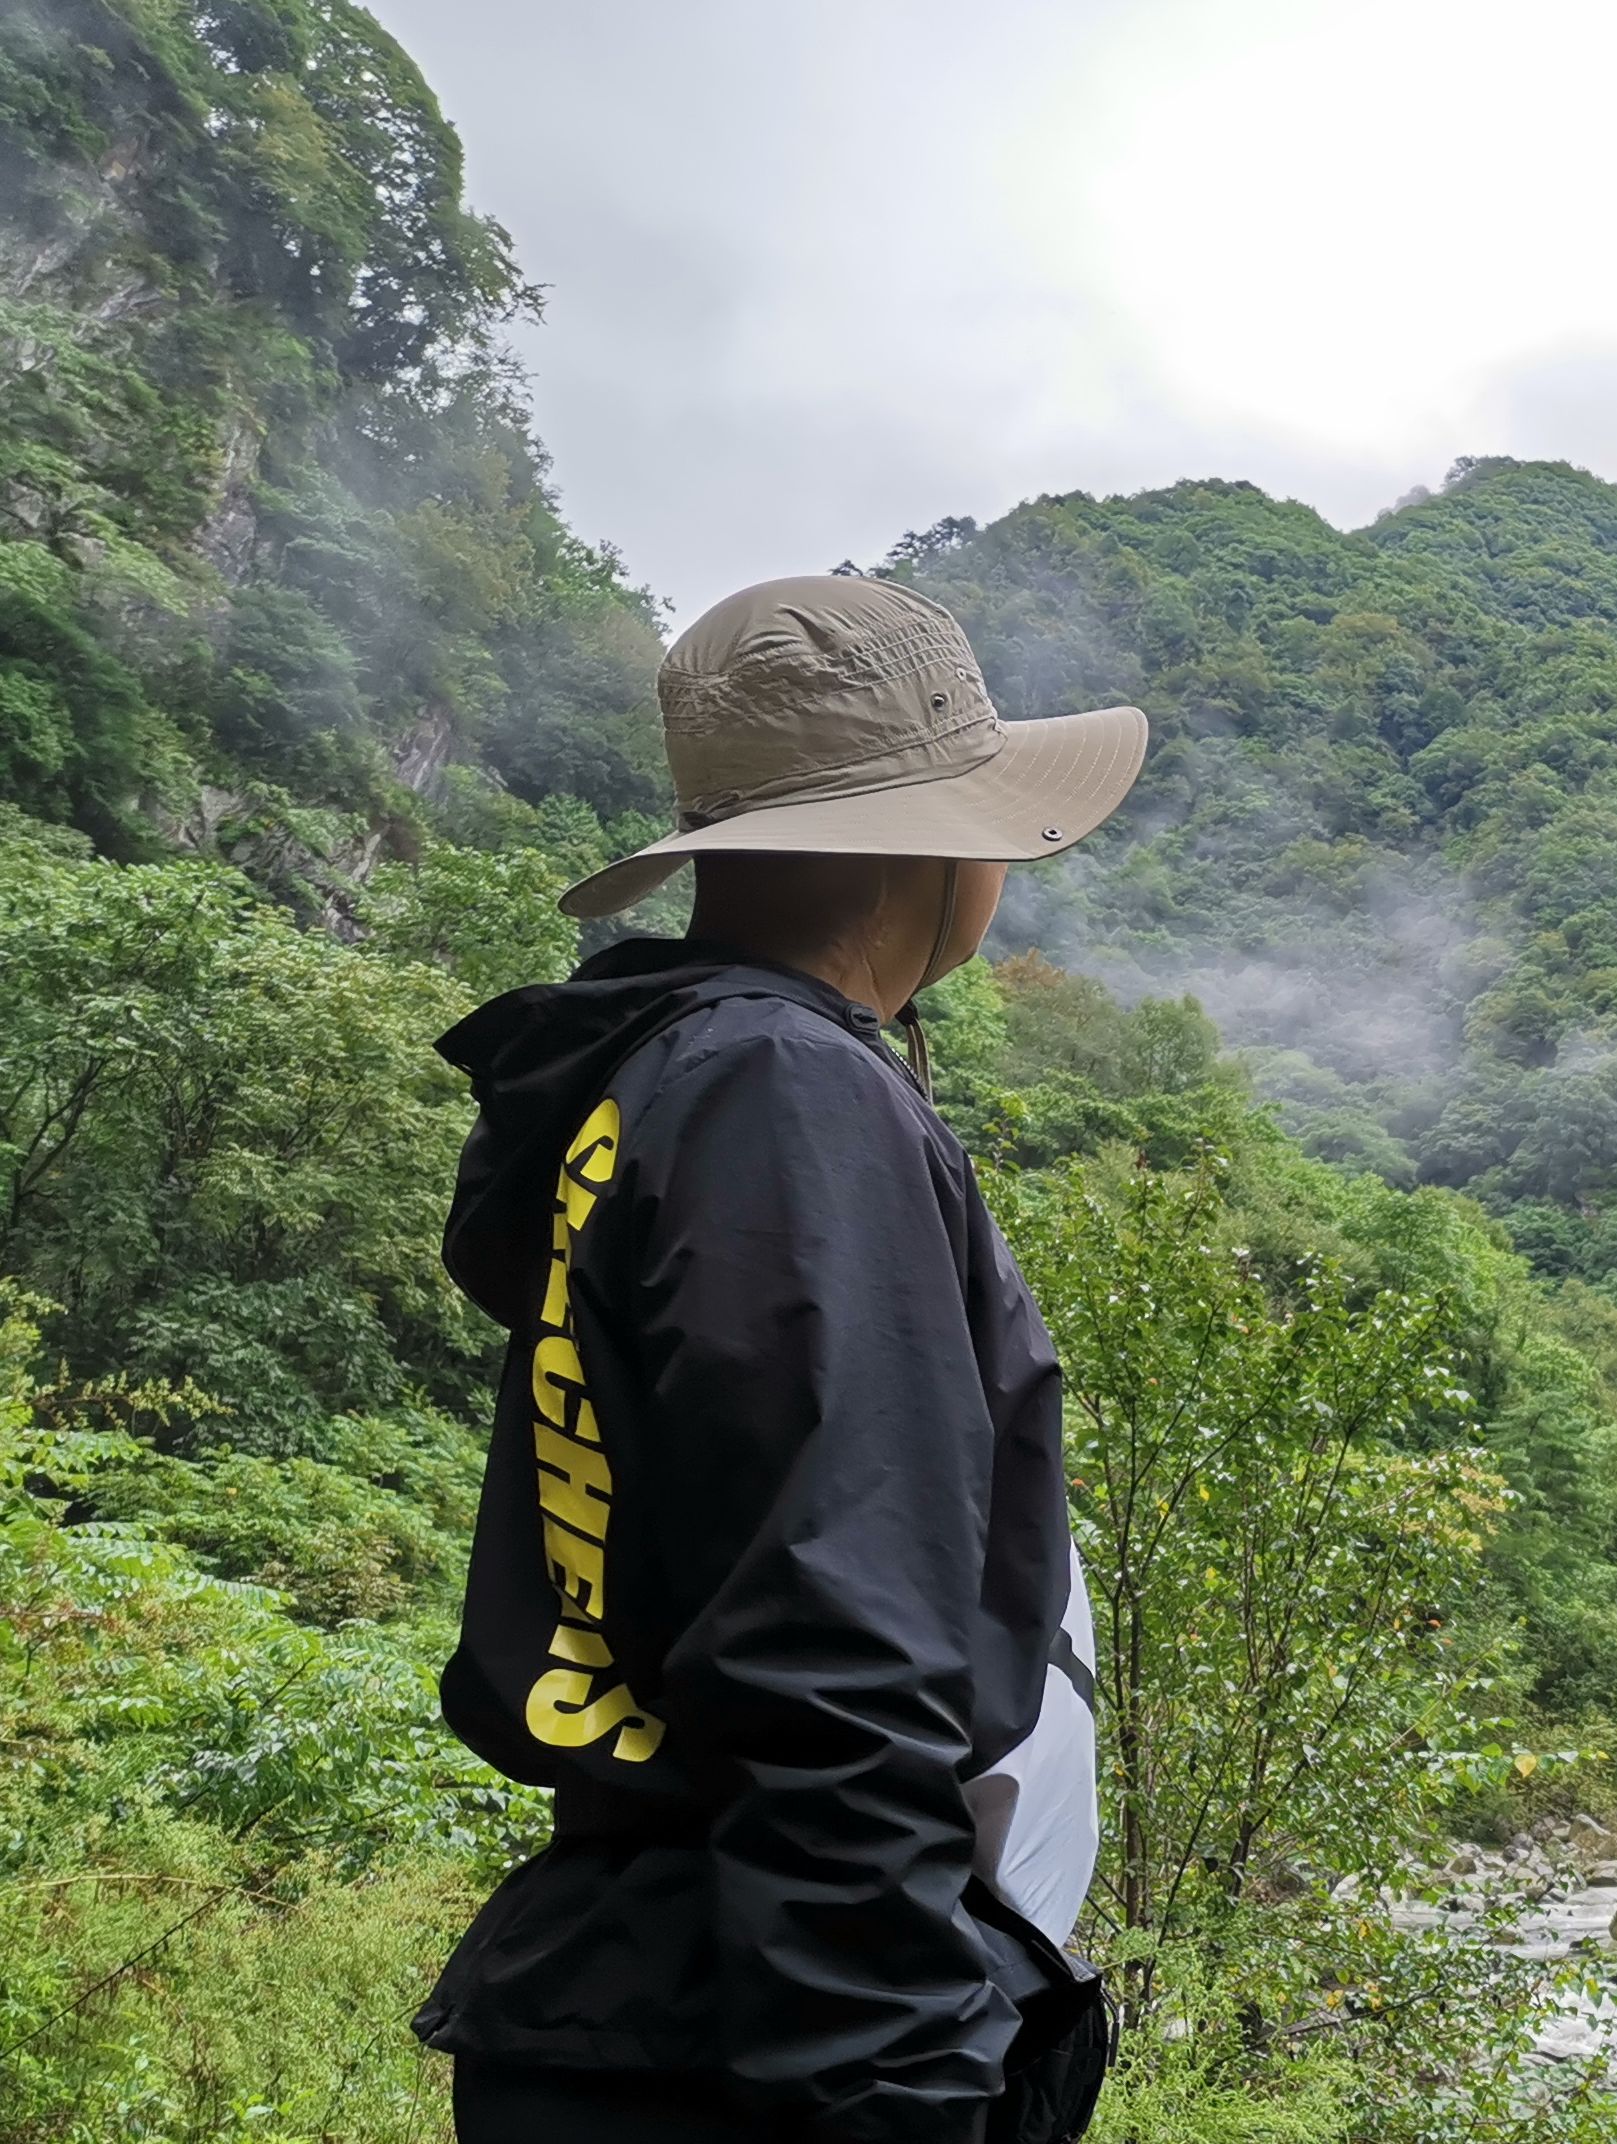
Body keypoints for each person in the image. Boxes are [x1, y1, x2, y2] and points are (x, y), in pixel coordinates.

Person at [411, 576, 1149, 2143]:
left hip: (670, 1991)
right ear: (938, 845)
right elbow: (829, 1639)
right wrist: (892, 2086)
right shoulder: (781, 1094)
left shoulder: (672, 1082)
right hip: (762, 2043)